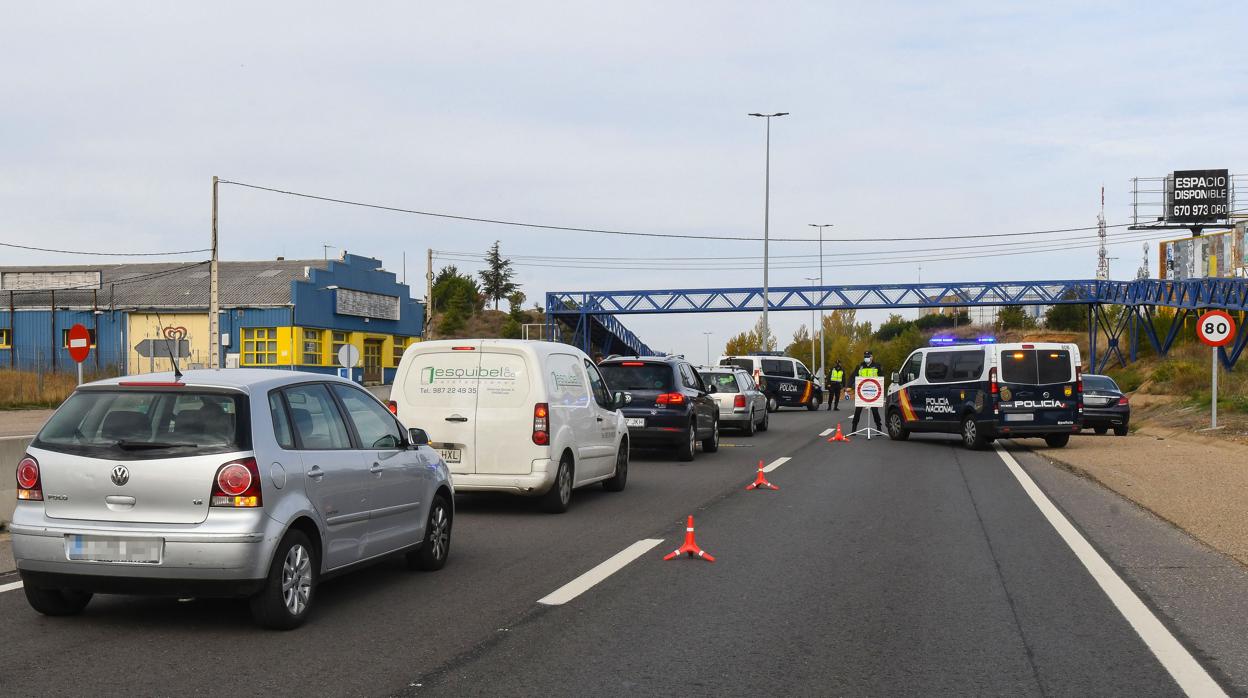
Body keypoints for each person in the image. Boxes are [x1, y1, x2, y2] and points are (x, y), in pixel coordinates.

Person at [851, 350, 884, 432]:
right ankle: (854, 429)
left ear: (872, 357)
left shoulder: (877, 366)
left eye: (868, 356)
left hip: (873, 392)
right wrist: (849, 386)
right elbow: (853, 376)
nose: (866, 358)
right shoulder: (860, 366)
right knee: (858, 410)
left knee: (875, 411)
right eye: (865, 357)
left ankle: (879, 428)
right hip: (862, 392)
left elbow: (882, 378)